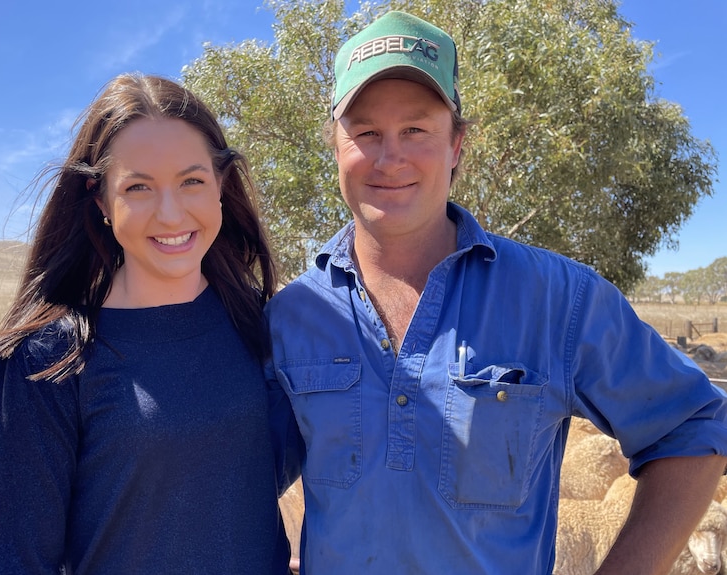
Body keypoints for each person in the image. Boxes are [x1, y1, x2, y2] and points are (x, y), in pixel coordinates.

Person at [265, 10, 727, 574]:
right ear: (335, 146)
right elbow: (233, 480)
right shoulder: (293, 316)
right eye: (365, 132)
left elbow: (692, 426)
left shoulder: (560, 300)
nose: (390, 157)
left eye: (416, 129)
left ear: (457, 144)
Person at [0, 73, 291, 574]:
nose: (170, 212)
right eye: (138, 186)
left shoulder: (265, 324)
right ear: (100, 201)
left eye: (192, 181)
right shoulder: (47, 360)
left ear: (221, 185)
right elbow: (13, 561)